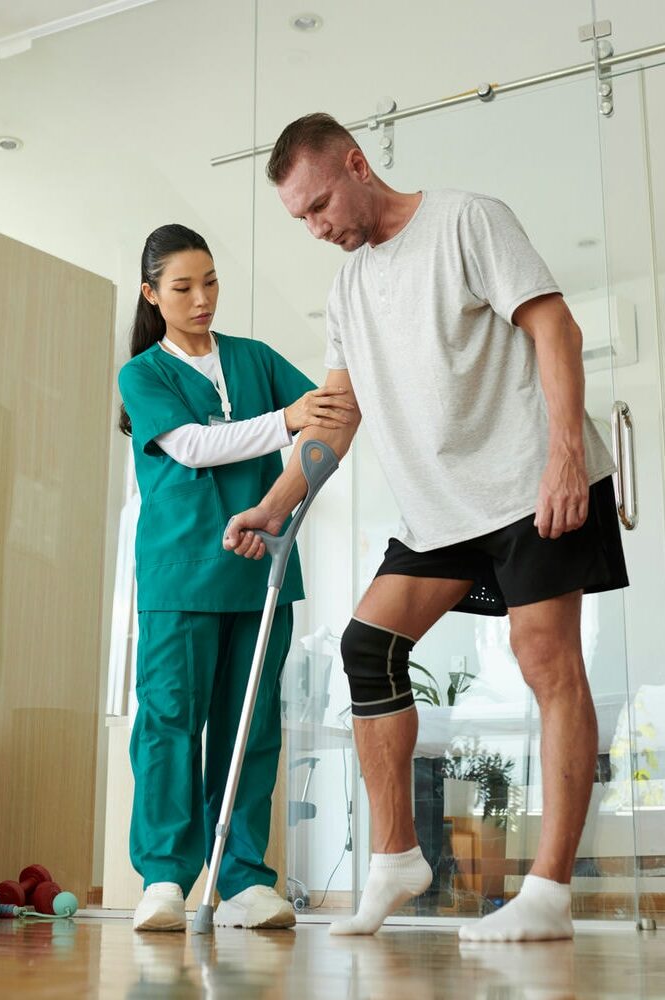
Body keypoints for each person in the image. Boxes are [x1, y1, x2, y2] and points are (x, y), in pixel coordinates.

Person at [224, 115, 628, 942]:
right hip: (441, 509)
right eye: (299, 218)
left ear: (357, 163)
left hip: (526, 482)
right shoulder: (346, 291)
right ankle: (395, 859)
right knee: (367, 645)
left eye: (320, 203)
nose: (316, 226)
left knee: (545, 659)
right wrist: (272, 504)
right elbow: (336, 419)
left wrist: (562, 457)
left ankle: (549, 895)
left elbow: (556, 327)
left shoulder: (467, 220)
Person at [117, 223, 355, 932]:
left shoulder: (254, 358)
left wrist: (283, 503)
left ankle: (246, 879)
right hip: (179, 575)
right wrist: (285, 420)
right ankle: (163, 877)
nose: (202, 299)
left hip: (261, 574)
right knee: (168, 725)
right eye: (184, 287)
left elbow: (333, 420)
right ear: (151, 294)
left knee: (249, 730)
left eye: (211, 282)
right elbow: (191, 446)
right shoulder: (145, 374)